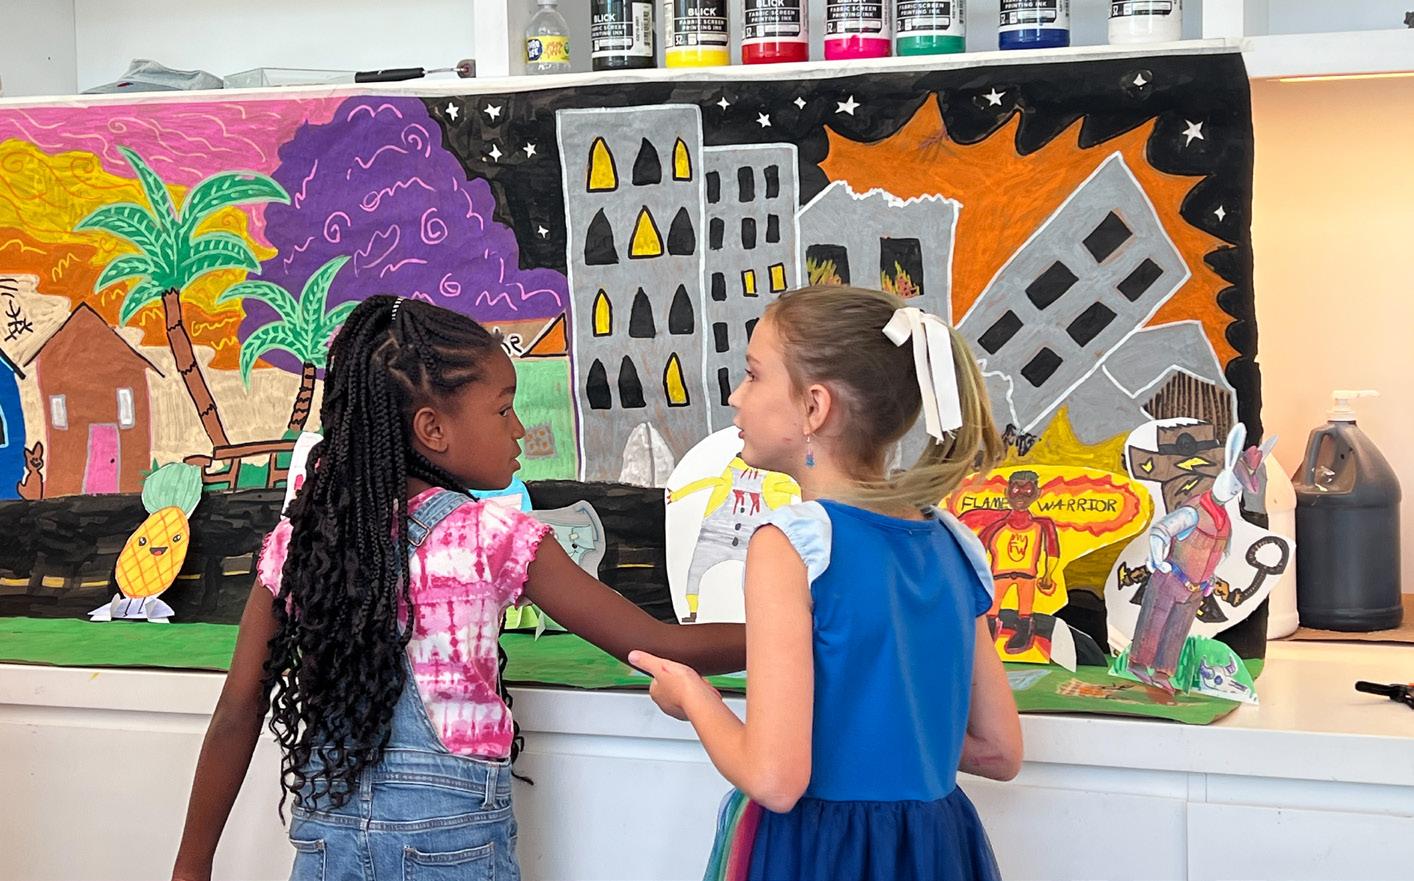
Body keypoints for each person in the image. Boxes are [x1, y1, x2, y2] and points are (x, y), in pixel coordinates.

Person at [171, 296, 744, 881]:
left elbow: (237, 710)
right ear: (433, 429)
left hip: (326, 852)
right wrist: (790, 633)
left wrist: (190, 867)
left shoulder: (301, 544)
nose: (519, 429)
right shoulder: (492, 537)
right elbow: (658, 645)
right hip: (451, 855)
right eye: (503, 410)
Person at [631, 286, 1023, 881]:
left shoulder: (790, 545)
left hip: (819, 852)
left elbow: (774, 780)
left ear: (815, 407)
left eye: (753, 375)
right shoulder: (954, 543)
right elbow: (998, 751)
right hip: (932, 850)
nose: (736, 396)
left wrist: (692, 694)